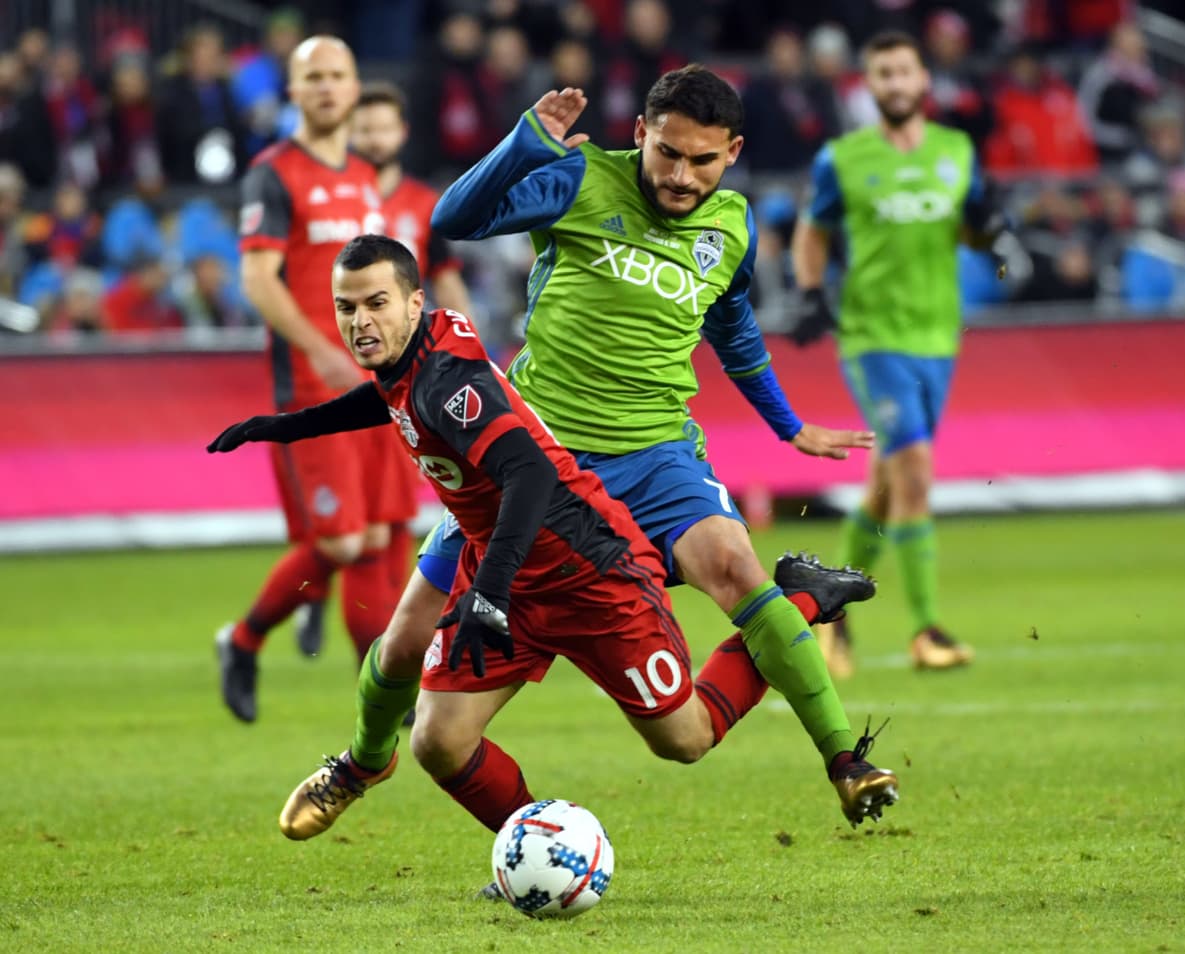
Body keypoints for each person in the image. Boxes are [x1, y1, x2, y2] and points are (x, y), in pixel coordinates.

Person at [276, 67, 901, 841]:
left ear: (732, 153)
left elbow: (732, 327)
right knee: (404, 639)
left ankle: (846, 761)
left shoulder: (731, 227)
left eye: (702, 161)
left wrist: (785, 424)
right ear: (639, 133)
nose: (680, 176)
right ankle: (364, 763)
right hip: (531, 455)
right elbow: (455, 218)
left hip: (658, 454)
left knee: (736, 570)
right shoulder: (579, 180)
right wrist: (523, 143)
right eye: (667, 153)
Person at [214, 36, 420, 721]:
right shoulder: (272, 174)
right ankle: (244, 639)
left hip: (381, 384)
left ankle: (389, 706)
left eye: (339, 75)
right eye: (314, 77)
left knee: (388, 531)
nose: (328, 87)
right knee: (340, 541)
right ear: (294, 93)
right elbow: (256, 280)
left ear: (355, 87)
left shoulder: (365, 175)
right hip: (313, 386)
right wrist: (321, 349)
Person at [790, 31, 990, 676]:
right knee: (915, 473)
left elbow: (973, 222)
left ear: (923, 78)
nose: (896, 84)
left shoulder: (956, 151)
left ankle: (828, 618)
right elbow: (812, 233)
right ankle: (926, 630)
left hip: (939, 335)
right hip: (873, 335)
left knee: (885, 487)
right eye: (883, 75)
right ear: (869, 86)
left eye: (904, 72)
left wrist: (998, 233)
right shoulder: (843, 159)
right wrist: (812, 293)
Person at [289, 79, 477, 656]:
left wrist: (472, 358)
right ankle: (309, 609)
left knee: (387, 526)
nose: (372, 137)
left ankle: (382, 655)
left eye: (381, 126)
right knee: (354, 533)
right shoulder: (329, 200)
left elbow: (444, 278)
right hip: (349, 379)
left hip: (413, 381)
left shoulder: (423, 205)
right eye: (362, 127)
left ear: (401, 133)